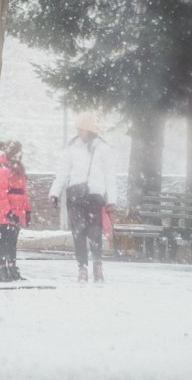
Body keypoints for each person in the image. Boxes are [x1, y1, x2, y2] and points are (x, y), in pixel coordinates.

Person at [49, 112, 117, 283]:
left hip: (95, 195)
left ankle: (97, 264)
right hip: (76, 195)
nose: (79, 132)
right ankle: (82, 267)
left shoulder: (103, 149)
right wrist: (54, 192)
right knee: (78, 231)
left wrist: (112, 200)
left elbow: (110, 175)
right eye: (79, 129)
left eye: (82, 129)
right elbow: (63, 171)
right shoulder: (72, 148)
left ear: (90, 130)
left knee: (95, 232)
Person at [0, 140, 31, 282]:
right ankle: (3, 271)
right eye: (18, 151)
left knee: (12, 241)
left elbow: (23, 192)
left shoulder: (17, 168)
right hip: (5, 212)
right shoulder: (3, 169)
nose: (20, 154)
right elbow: (0, 193)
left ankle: (11, 269)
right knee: (5, 240)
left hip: (16, 212)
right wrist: (8, 211)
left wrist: (27, 210)